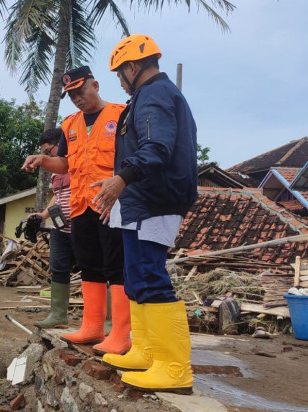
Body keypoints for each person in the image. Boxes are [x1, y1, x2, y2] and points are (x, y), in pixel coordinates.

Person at [93, 34, 197, 394]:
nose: (120, 83)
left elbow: (156, 148)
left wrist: (121, 179)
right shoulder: (146, 96)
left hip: (157, 200)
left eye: (120, 75)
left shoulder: (154, 95)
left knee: (151, 277)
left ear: (133, 67)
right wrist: (120, 182)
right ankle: (146, 350)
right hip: (142, 201)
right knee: (135, 275)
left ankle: (174, 368)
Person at [21, 66, 130, 356]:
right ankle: (92, 326)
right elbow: (66, 165)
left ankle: (120, 332)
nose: (77, 98)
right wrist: (43, 160)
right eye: (71, 95)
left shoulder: (121, 115)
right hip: (81, 207)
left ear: (95, 85)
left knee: (116, 267)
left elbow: (132, 160)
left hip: (111, 204)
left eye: (81, 91)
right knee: (89, 265)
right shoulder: (70, 124)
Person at [31, 128, 77, 329]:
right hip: (61, 228)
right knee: (58, 268)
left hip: (83, 226)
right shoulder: (55, 172)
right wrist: (43, 215)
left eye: (49, 151)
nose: (48, 156)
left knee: (98, 270)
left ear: (62, 144)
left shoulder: (78, 162)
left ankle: (107, 320)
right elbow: (58, 196)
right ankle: (58, 314)